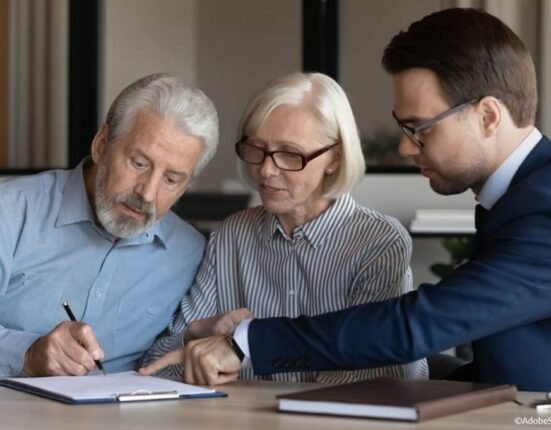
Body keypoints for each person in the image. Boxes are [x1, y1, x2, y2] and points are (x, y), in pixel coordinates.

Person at [144, 8, 551, 392]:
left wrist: (245, 343)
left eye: (419, 128)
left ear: (488, 117)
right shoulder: (516, 199)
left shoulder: (543, 207)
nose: (406, 149)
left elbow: (415, 327)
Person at [140, 72, 428, 384]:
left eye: (289, 154)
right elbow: (159, 366)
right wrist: (195, 335)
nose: (265, 170)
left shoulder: (377, 242)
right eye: (257, 148)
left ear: (336, 157)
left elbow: (379, 376)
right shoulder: (231, 236)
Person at [0, 73, 219, 377]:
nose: (147, 193)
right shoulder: (10, 211)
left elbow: (170, 362)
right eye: (139, 163)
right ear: (102, 145)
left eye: (171, 179)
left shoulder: (191, 253)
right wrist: (25, 353)